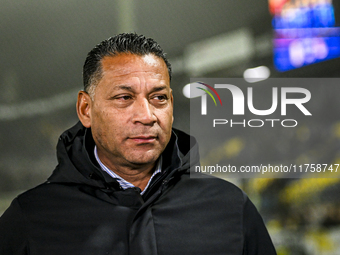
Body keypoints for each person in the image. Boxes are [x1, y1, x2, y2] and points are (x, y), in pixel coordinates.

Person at [0, 33, 276, 255]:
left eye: (159, 98)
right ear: (86, 110)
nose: (146, 116)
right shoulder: (30, 219)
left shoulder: (230, 207)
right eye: (124, 98)